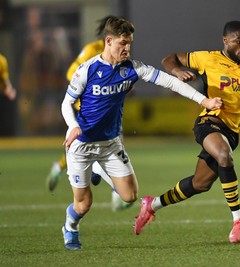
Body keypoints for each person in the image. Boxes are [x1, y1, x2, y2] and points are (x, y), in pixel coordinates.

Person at [133, 21, 240, 243]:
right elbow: (169, 58)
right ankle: (238, 220)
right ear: (226, 41)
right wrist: (177, 71)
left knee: (200, 184)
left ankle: (152, 204)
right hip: (209, 121)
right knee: (223, 155)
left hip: (231, 131)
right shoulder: (208, 58)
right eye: (239, 41)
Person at [61, 16, 222, 250]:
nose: (127, 48)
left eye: (130, 43)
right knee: (83, 205)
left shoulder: (134, 69)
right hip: (82, 145)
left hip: (111, 144)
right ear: (108, 41)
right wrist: (72, 125)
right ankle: (70, 228)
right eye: (122, 43)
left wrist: (203, 100)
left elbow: (169, 82)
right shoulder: (87, 70)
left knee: (129, 196)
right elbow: (66, 103)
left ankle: (98, 168)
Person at [46, 15, 130, 211]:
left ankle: (111, 187)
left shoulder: (120, 52)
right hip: (87, 106)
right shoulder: (92, 50)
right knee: (84, 145)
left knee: (111, 141)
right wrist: (88, 89)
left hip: (106, 106)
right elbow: (72, 72)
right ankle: (64, 169)